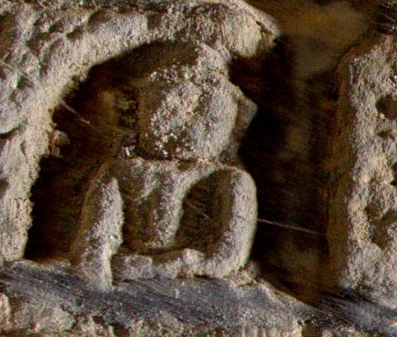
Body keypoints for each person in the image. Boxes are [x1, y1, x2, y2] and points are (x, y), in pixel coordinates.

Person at [70, 53, 257, 286]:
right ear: (138, 112)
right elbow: (94, 243)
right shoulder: (121, 172)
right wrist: (98, 278)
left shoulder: (230, 179)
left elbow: (228, 257)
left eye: (204, 109)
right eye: (172, 104)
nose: (188, 120)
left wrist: (165, 265)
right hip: (129, 285)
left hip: (196, 288)